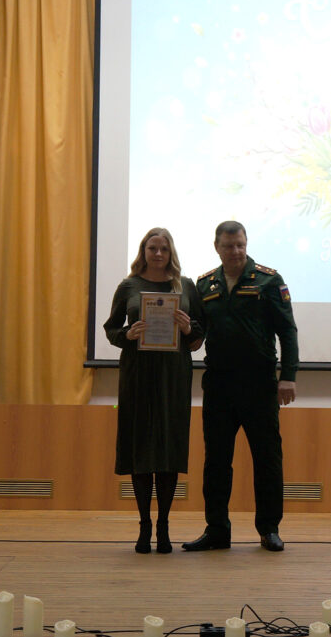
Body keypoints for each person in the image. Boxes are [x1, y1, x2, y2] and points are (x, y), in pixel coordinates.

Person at [182, 221, 298, 553]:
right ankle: (217, 529)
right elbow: (198, 332)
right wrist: (185, 332)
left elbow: (287, 332)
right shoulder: (205, 284)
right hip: (218, 384)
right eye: (229, 246)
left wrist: (287, 376)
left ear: (246, 245)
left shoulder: (268, 279)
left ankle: (269, 529)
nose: (235, 252)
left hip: (259, 384)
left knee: (267, 459)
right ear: (217, 247)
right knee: (216, 461)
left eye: (240, 245)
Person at [104, 227, 204, 554]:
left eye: (163, 248)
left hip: (174, 375)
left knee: (168, 449)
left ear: (170, 251)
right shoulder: (129, 286)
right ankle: (144, 525)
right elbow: (111, 329)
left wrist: (189, 327)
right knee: (142, 448)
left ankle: (164, 525)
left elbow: (199, 336)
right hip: (138, 375)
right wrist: (128, 334)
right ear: (143, 251)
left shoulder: (185, 287)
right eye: (152, 248)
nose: (158, 254)